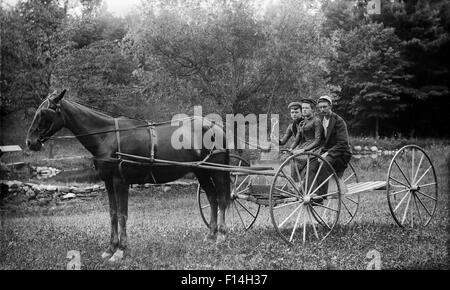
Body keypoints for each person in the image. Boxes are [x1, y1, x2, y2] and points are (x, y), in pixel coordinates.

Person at [309, 95, 352, 200]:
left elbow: (343, 143)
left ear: (330, 106)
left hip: (341, 153)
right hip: (328, 152)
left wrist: (327, 154)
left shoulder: (338, 121)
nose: (322, 110)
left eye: (325, 107)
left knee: (324, 163)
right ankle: (311, 193)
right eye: (320, 107)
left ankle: (322, 195)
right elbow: (323, 141)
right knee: (312, 163)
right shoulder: (322, 120)